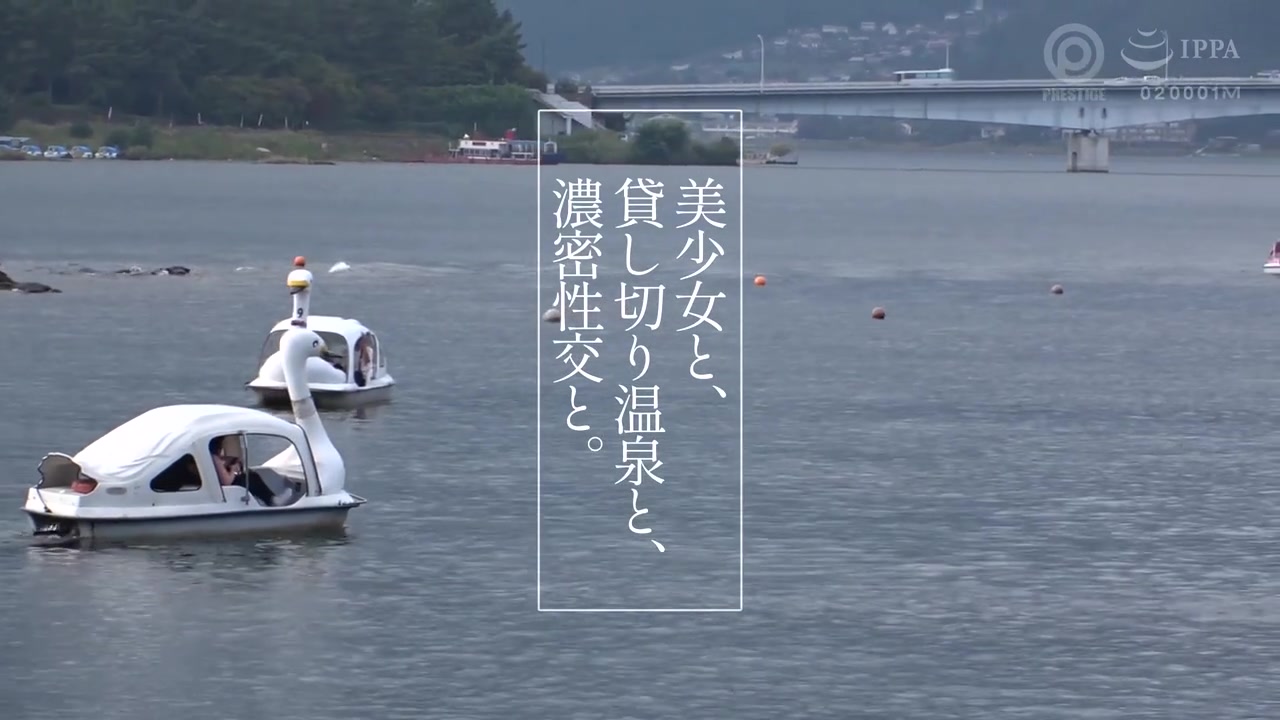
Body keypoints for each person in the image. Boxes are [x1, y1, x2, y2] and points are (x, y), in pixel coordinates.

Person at [209, 436, 274, 506]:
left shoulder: (213, 457)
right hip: (226, 489)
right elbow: (226, 481)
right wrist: (233, 469)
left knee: (251, 475)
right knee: (253, 479)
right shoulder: (215, 458)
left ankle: (269, 500)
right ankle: (271, 500)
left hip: (221, 487)